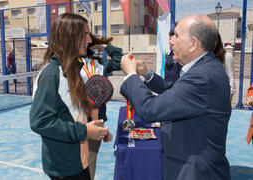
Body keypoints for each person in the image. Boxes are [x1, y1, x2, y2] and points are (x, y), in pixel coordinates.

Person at [120, 15, 231, 180]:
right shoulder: (204, 68)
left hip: (196, 172)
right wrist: (146, 73)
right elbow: (175, 93)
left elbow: (149, 109)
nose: (171, 40)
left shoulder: (202, 76)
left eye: (176, 35)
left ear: (193, 44)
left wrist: (130, 75)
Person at [29, 13, 112, 180]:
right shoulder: (51, 74)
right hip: (64, 167)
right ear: (71, 37)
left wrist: (97, 130)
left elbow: (76, 112)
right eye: (86, 35)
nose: (90, 40)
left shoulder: (73, 70)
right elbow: (40, 122)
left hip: (80, 160)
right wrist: (84, 131)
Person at [80, 34, 123, 180]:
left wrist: (104, 47)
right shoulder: (69, 63)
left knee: (90, 161)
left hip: (97, 119)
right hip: (75, 119)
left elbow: (119, 60)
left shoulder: (100, 63)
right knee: (74, 163)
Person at [214, 33, 236, 102]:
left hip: (221, 95)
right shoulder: (204, 56)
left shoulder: (226, 56)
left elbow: (230, 77)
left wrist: (230, 98)